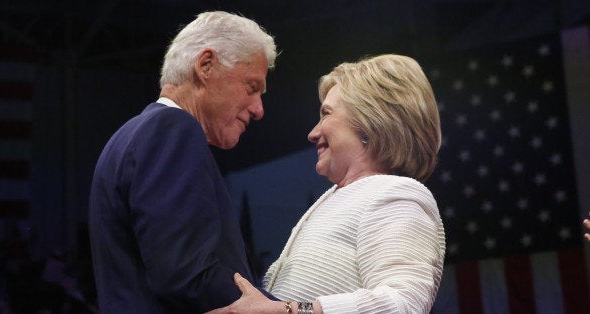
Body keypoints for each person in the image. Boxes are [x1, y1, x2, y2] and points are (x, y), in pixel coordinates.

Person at [208, 54, 446, 314]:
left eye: (326, 114)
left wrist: (288, 310)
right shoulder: (343, 198)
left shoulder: (397, 195)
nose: (313, 133)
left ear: (370, 123)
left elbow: (403, 305)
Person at [88, 11, 277, 313]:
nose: (258, 109)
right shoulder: (172, 129)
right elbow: (186, 274)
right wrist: (289, 309)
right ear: (206, 66)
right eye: (251, 87)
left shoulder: (133, 134)